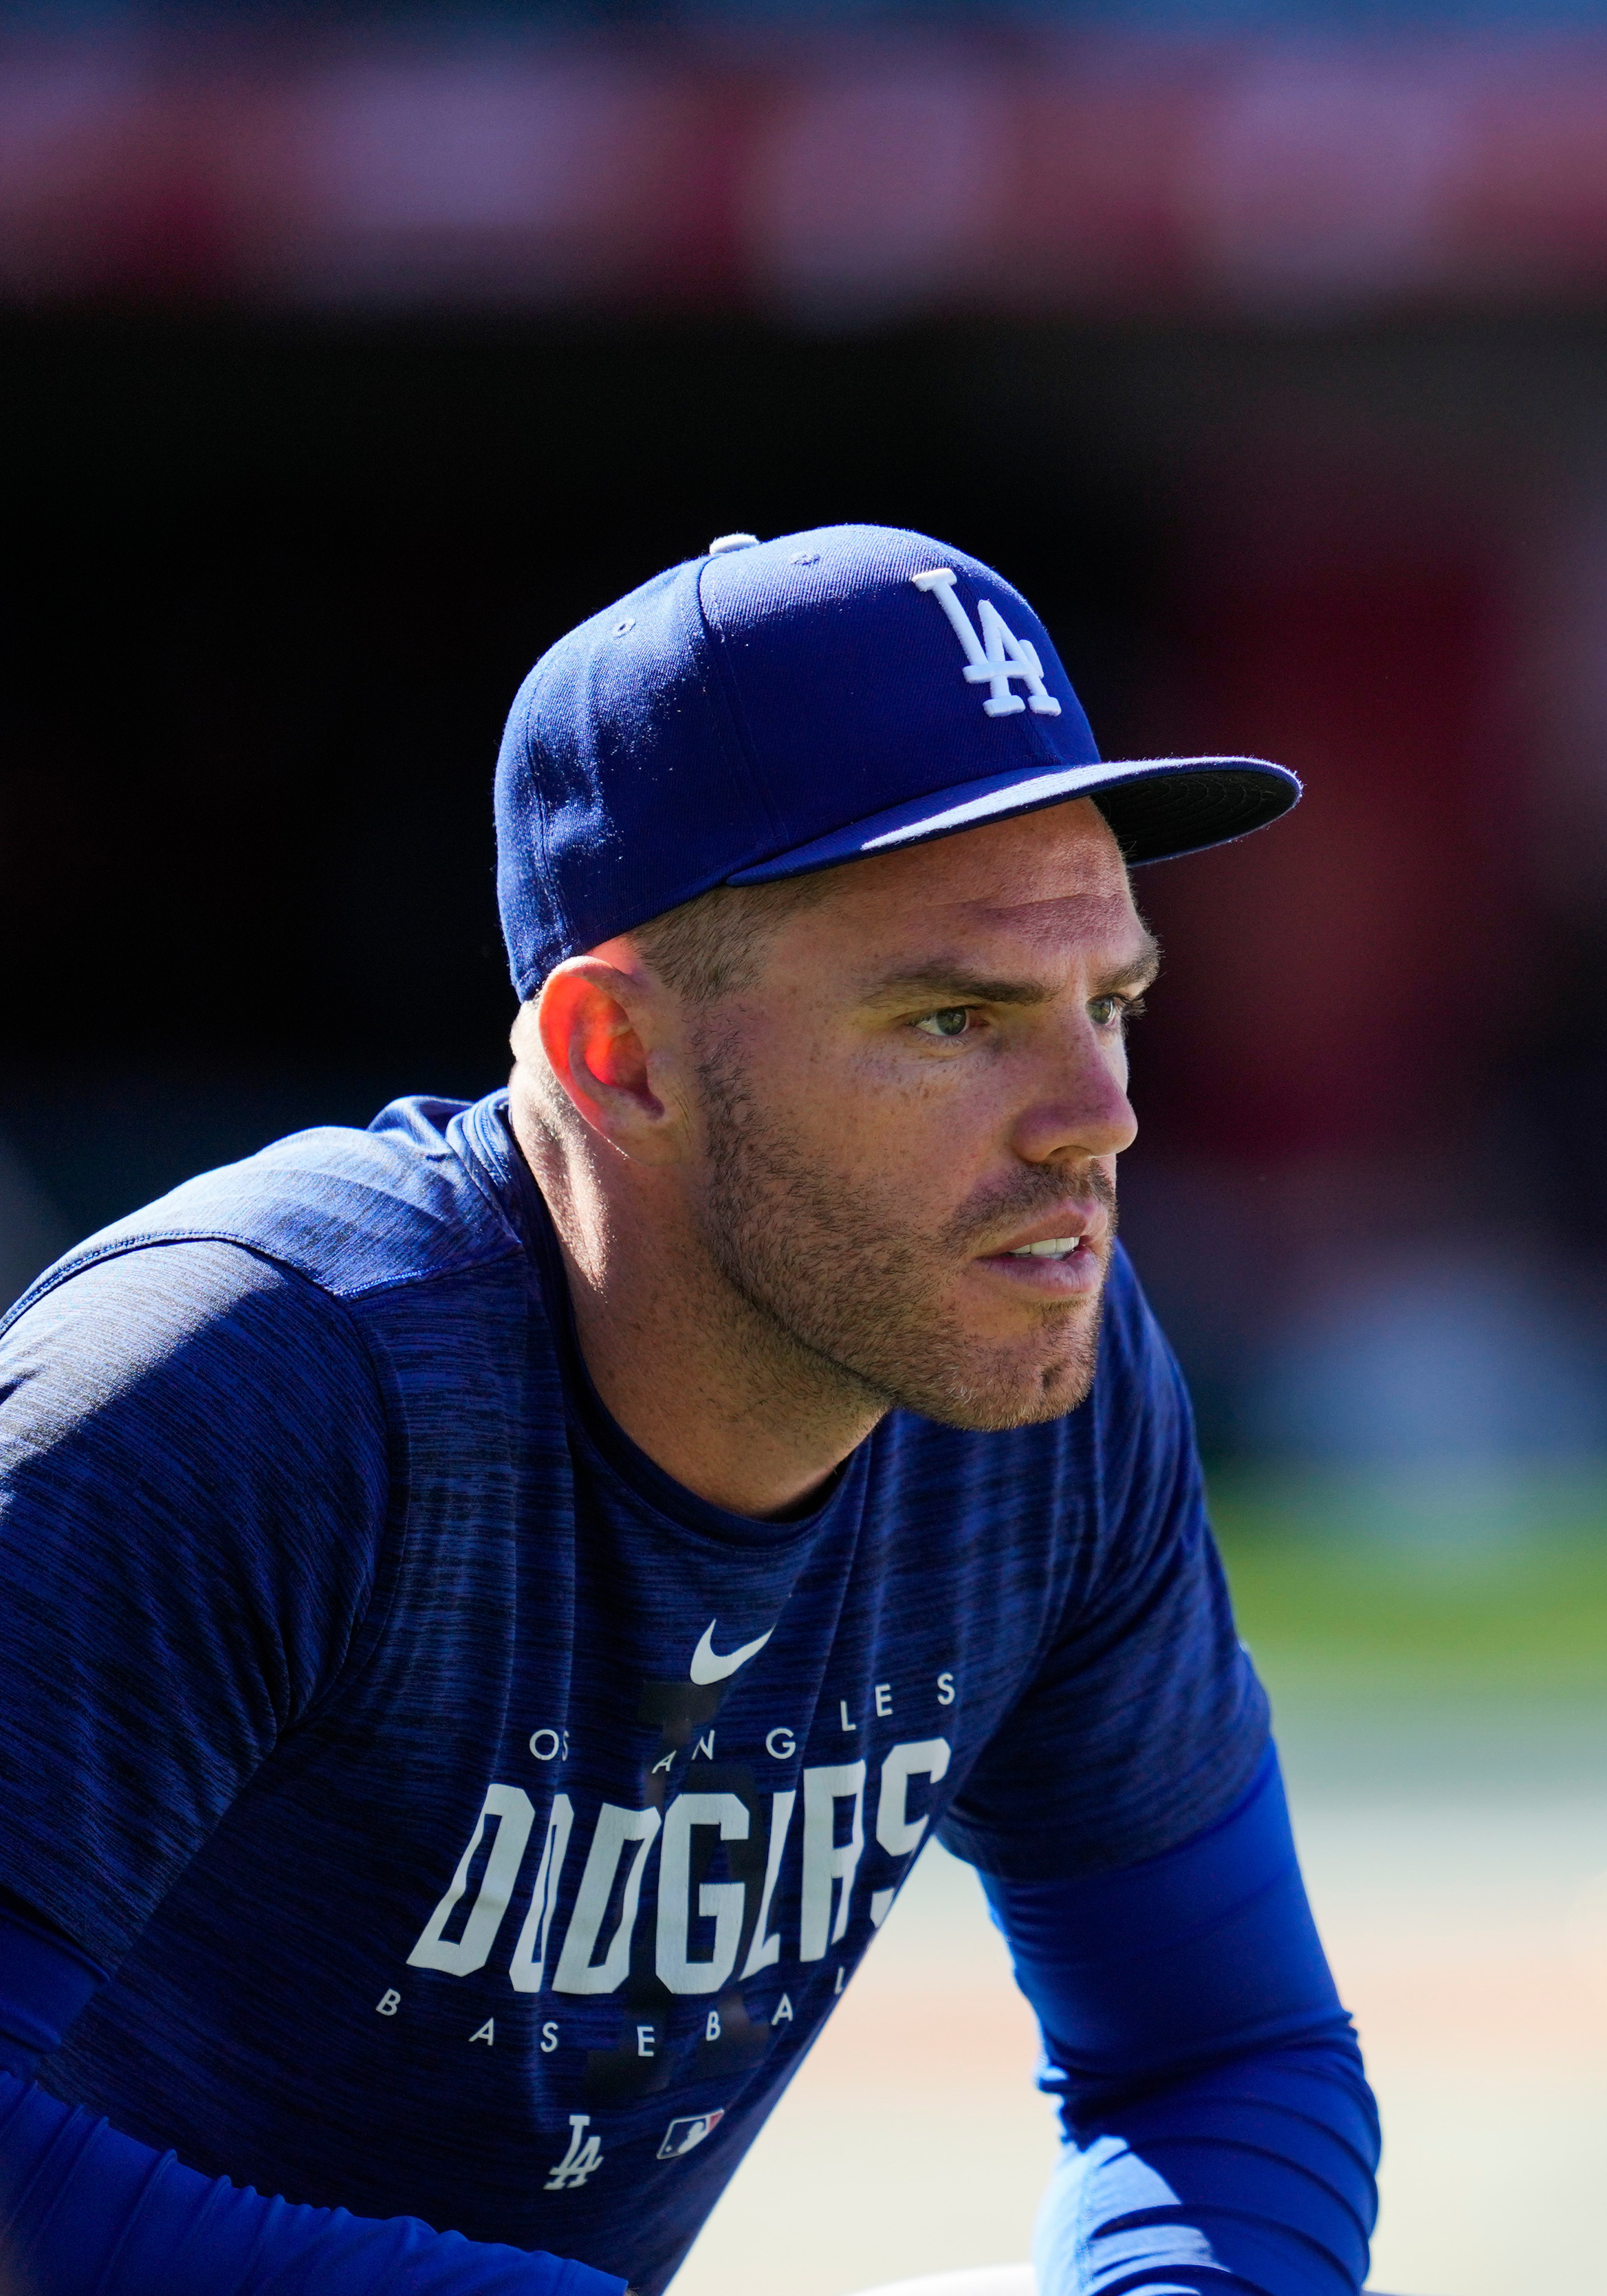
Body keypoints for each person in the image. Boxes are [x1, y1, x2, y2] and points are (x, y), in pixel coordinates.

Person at [0, 527, 1379, 2294]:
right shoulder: (249, 1386)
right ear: (614, 1056)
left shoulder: (1037, 1379)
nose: (1093, 1116)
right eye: (957, 1017)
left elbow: (1220, 2051)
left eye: (1109, 1002)